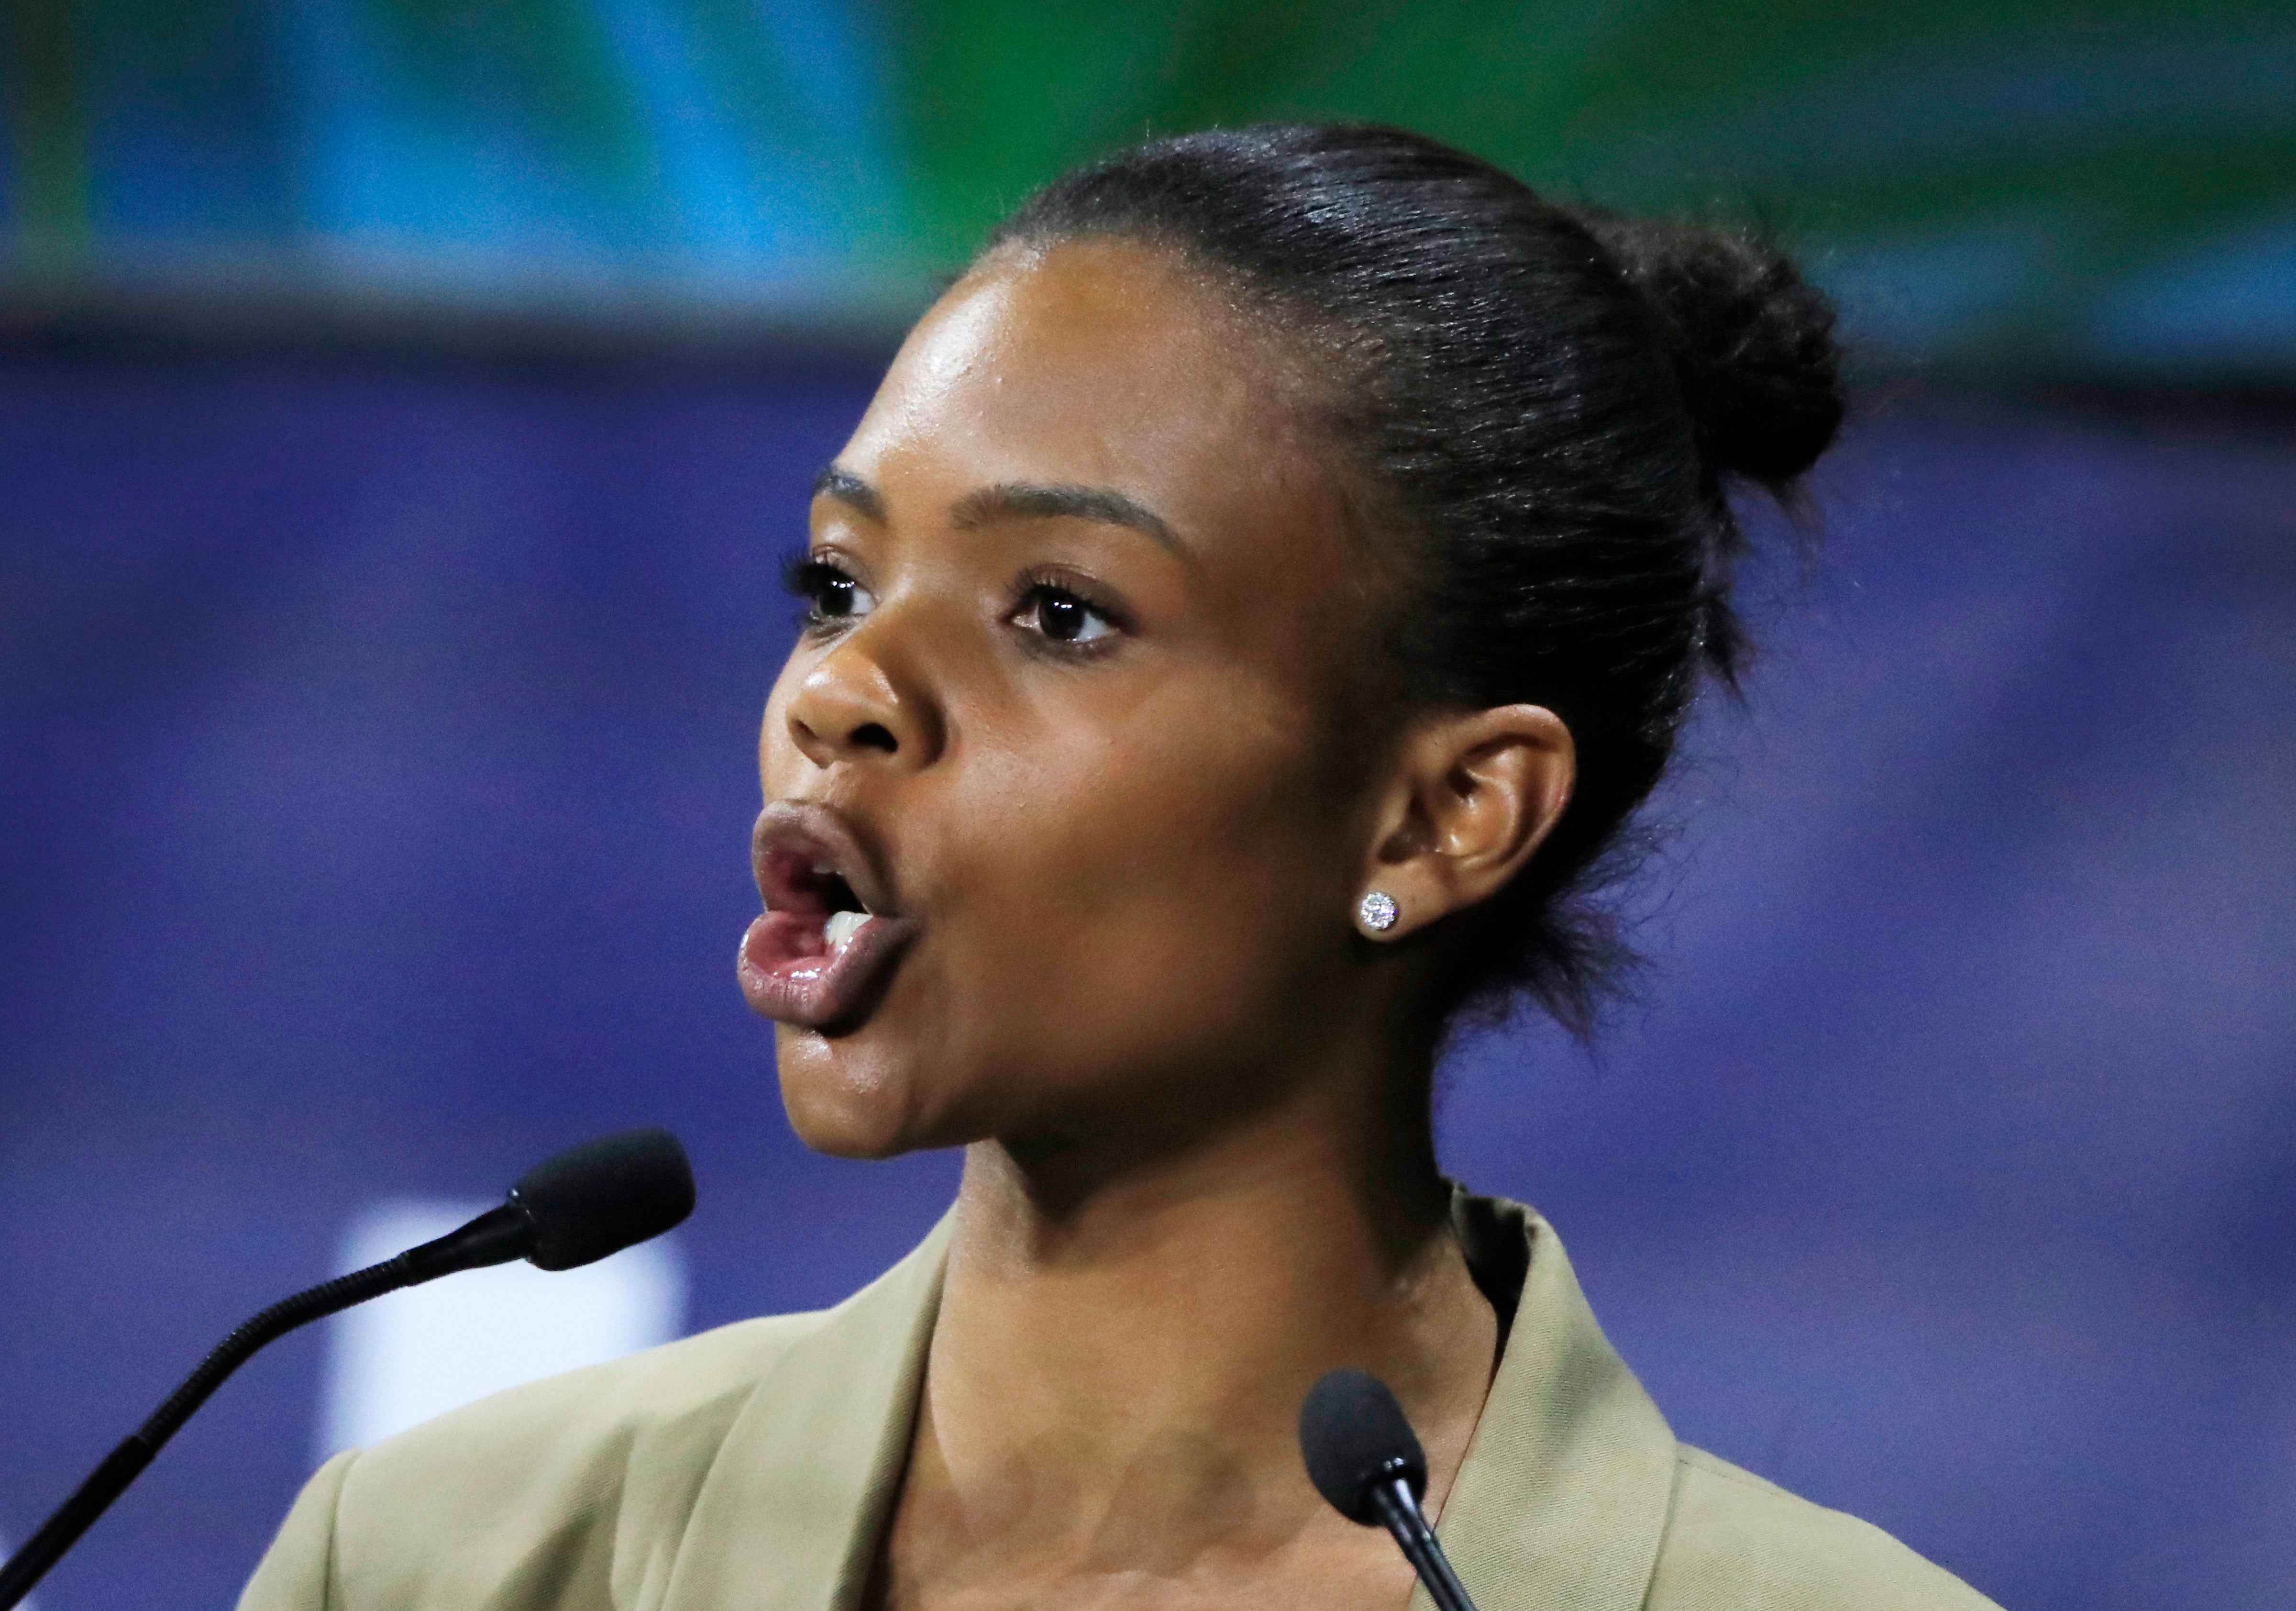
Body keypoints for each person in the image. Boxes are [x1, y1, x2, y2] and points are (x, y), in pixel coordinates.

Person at [241, 125, 1999, 1611]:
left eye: (1059, 613)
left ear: (1441, 816)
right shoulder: (444, 1566)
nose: (843, 692)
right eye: (839, 587)